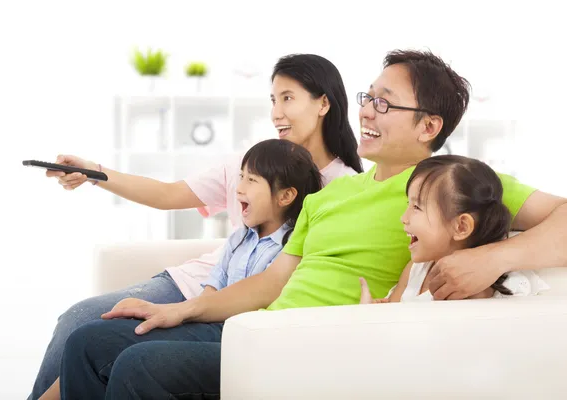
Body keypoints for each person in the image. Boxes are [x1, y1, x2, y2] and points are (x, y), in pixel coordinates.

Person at [58, 49, 567, 399]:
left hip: (310, 344)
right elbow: (273, 281)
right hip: (254, 329)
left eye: (384, 103)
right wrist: (184, 311)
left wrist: (494, 256)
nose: (366, 110)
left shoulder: (446, 189)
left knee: (136, 364)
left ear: (428, 126)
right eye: (368, 97)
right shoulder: (334, 191)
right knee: (89, 340)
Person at [28, 53, 362, 399]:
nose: (276, 112)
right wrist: (95, 173)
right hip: (197, 284)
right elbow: (167, 193)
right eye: (273, 100)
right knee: (78, 319)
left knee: (98, 338)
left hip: (241, 309)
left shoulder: (345, 187)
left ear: (323, 103)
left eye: (288, 98)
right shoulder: (249, 163)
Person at [38, 138, 323, 399]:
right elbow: (211, 290)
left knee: (129, 357)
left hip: (236, 334)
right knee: (85, 339)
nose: (239, 188)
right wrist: (180, 315)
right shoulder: (239, 238)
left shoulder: (292, 247)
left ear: (285, 196)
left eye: (251, 180)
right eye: (241, 177)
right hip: (205, 320)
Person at [359, 155, 549, 304]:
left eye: (416, 207)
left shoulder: (473, 290)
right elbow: (393, 313)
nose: (404, 218)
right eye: (408, 204)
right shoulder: (416, 268)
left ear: (461, 227)